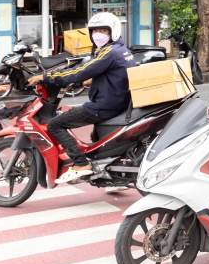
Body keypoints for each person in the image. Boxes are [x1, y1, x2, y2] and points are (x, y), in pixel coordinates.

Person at [29, 12, 134, 184]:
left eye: (103, 30)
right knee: (96, 137)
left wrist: (47, 77)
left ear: (113, 31)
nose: (98, 35)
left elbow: (80, 71)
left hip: (105, 105)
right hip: (118, 101)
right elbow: (112, 74)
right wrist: (88, 81)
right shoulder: (121, 50)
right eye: (94, 31)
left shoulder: (109, 52)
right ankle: (114, 180)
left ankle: (81, 163)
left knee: (55, 124)